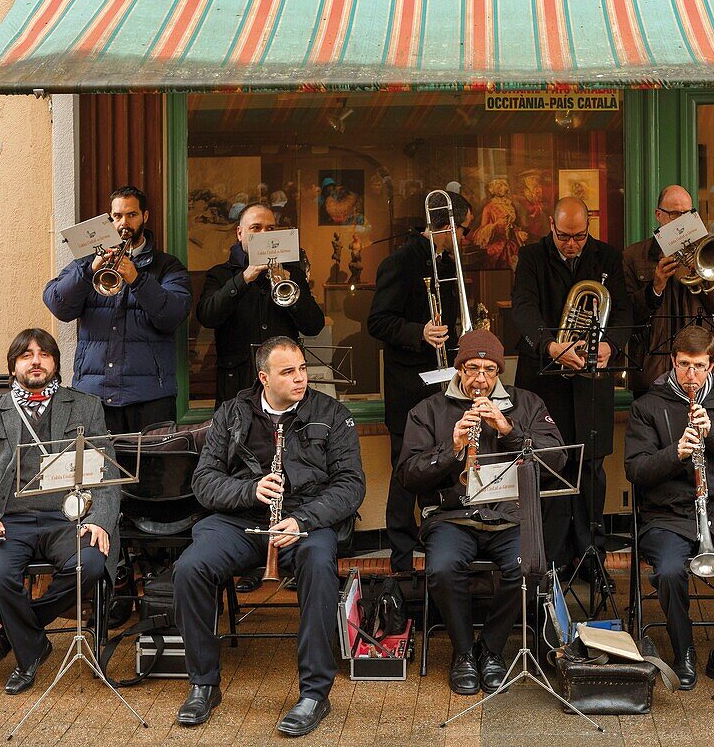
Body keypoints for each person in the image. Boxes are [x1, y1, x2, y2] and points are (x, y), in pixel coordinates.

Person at [172, 336, 364, 736]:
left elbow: (350, 486)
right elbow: (204, 481)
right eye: (288, 372)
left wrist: (305, 519)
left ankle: (314, 693)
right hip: (242, 519)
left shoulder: (332, 413)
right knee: (190, 567)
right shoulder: (231, 413)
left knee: (318, 561)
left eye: (302, 369)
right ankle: (203, 684)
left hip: (303, 521)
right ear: (264, 377)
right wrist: (250, 490)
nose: (300, 379)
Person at [397, 330, 564, 695]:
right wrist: (450, 446)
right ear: (458, 368)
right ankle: (463, 653)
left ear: (499, 371)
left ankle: (490, 649)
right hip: (452, 517)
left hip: (509, 517)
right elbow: (408, 475)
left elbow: (556, 460)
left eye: (490, 370)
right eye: (472, 368)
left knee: (529, 567)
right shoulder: (429, 410)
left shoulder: (527, 403)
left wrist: (508, 429)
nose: (481, 379)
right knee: (441, 568)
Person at [0, 329, 119, 694]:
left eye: (45, 354)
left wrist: (99, 521)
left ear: (55, 363)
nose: (36, 361)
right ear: (13, 365)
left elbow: (106, 475)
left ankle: (17, 636)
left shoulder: (85, 407)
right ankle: (33, 652)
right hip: (7, 521)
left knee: (90, 563)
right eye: (26, 355)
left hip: (70, 518)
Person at [624, 326, 714, 695]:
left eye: (700, 366)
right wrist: (676, 453)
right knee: (671, 571)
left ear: (712, 364)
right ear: (673, 361)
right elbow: (636, 470)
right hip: (666, 515)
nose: (692, 375)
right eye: (685, 365)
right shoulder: (647, 406)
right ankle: (683, 652)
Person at [511, 196, 632, 577]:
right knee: (547, 466)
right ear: (551, 224)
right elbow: (523, 309)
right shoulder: (531, 257)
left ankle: (589, 554)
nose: (572, 245)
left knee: (591, 468)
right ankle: (550, 557)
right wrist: (551, 346)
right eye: (564, 236)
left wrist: (610, 345)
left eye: (579, 236)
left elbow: (626, 311)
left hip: (591, 381)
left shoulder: (608, 257)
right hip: (543, 383)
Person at [367, 191, 467, 573]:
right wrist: (419, 331)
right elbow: (377, 322)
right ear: (447, 226)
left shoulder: (448, 261)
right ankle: (402, 557)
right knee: (404, 472)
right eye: (463, 229)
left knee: (440, 464)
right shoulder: (400, 262)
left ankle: (439, 540)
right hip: (410, 387)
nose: (465, 238)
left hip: (442, 384)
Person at [43, 185, 191, 433]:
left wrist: (138, 280)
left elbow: (172, 315)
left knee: (151, 471)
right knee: (98, 470)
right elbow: (58, 305)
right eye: (118, 216)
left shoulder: (167, 266)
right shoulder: (88, 262)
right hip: (94, 396)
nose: (125, 223)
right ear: (110, 220)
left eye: (132, 215)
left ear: (145, 216)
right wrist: (89, 270)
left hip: (150, 397)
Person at [195, 202, 325, 407]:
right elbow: (207, 316)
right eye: (256, 228)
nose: (264, 234)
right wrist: (243, 279)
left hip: (282, 389)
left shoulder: (293, 274)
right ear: (240, 233)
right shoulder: (220, 274)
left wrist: (290, 287)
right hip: (238, 386)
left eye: (270, 229)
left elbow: (314, 326)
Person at [623, 185, 714, 398]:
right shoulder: (634, 256)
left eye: (688, 214)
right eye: (675, 214)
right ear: (659, 215)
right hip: (654, 373)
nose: (683, 221)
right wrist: (655, 287)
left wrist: (703, 275)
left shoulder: (707, 249)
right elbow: (627, 314)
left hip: (701, 372)